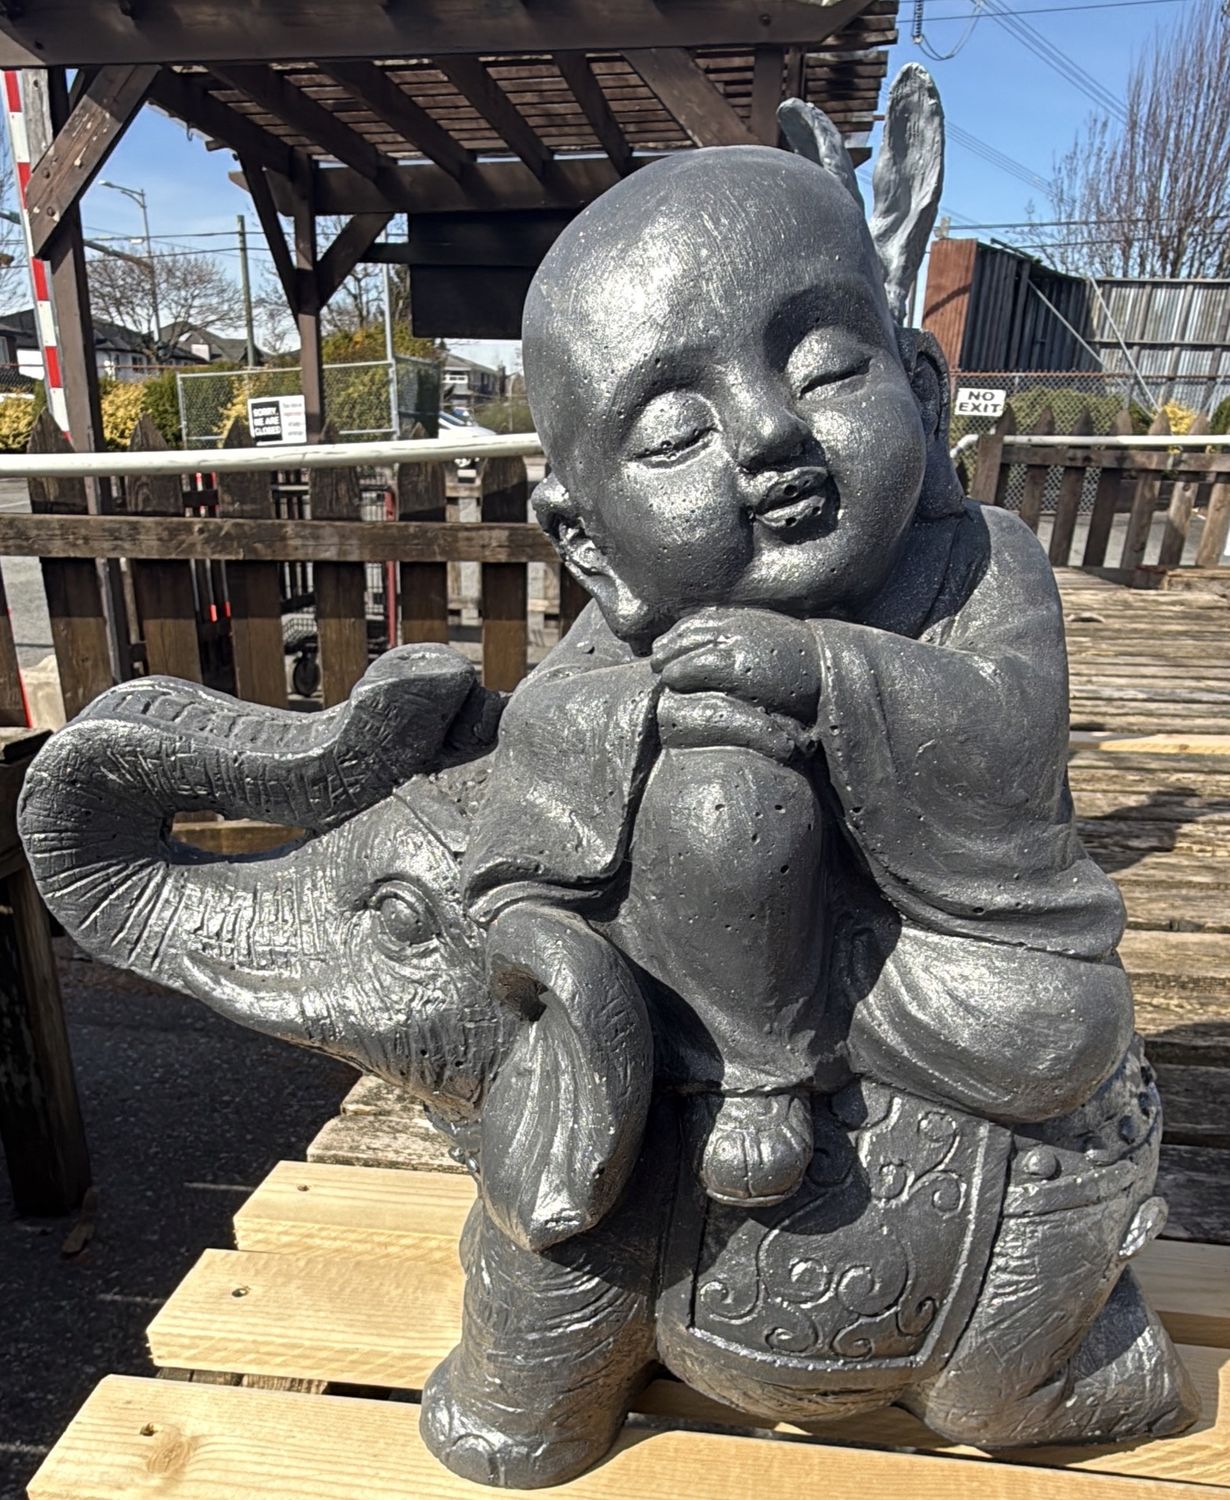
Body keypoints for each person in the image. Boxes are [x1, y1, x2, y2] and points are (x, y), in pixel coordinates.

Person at [463, 141, 1133, 1211]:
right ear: (588, 542)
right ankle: (755, 1063)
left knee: (1060, 1030)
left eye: (824, 368)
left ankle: (729, 1025)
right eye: (678, 431)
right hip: (720, 948)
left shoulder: (984, 560)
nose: (771, 429)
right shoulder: (635, 622)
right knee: (724, 795)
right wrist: (666, 704)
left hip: (928, 957)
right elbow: (545, 729)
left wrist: (819, 672)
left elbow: (1011, 747)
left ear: (922, 392)